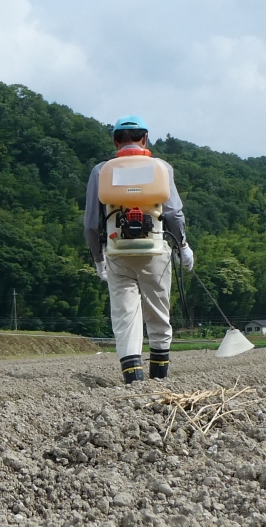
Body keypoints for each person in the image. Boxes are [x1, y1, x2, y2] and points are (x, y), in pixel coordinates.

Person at [83, 116, 194, 383]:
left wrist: (98, 259)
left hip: (117, 252)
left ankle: (134, 383)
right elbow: (173, 214)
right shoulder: (161, 167)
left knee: (125, 318)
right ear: (144, 138)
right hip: (155, 251)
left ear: (115, 140)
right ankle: (160, 382)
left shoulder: (101, 170)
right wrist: (183, 246)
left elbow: (90, 223)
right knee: (158, 314)